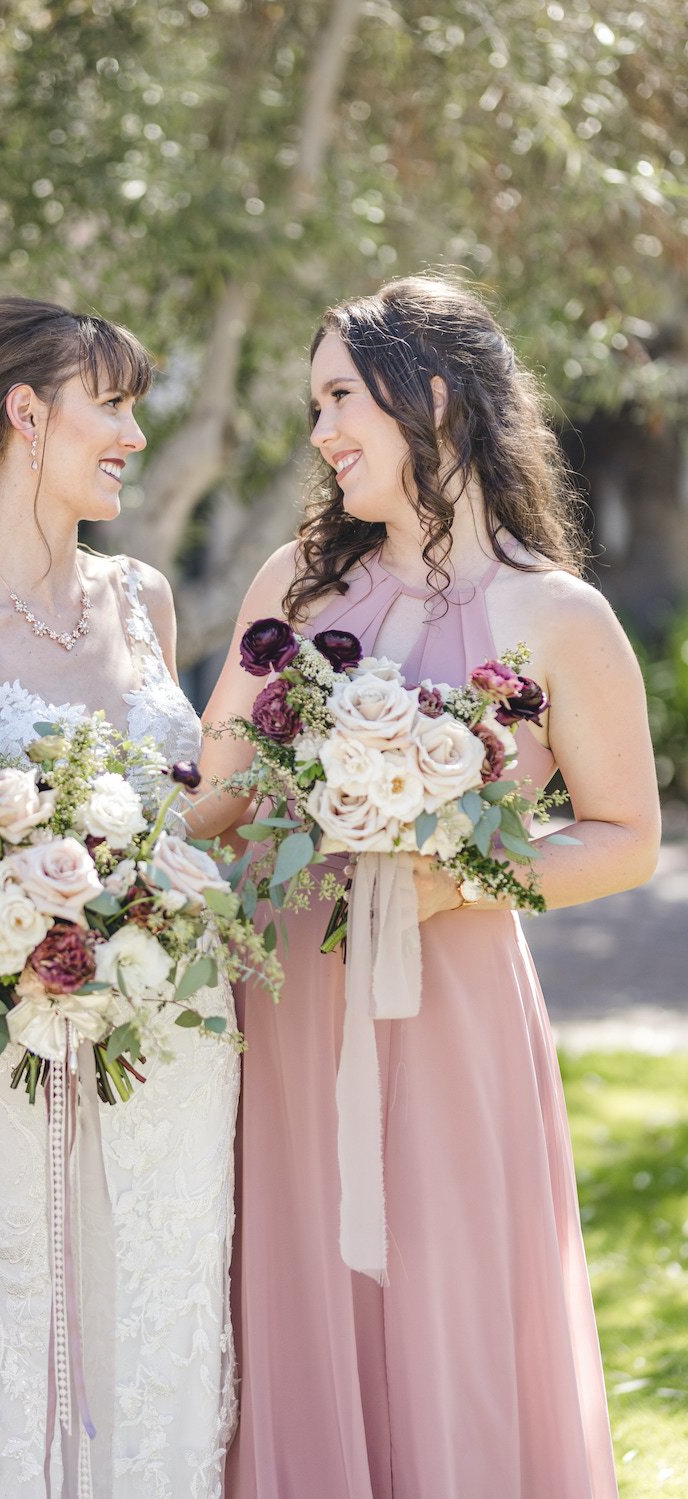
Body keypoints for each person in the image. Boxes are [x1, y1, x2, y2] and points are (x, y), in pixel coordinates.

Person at [197, 275, 660, 1499]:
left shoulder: (558, 615)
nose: (321, 433)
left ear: (434, 397)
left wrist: (462, 871)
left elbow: (623, 838)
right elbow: (221, 783)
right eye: (314, 404)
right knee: (304, 1296)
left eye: (339, 396)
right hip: (289, 1003)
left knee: (451, 1302)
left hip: (450, 1010)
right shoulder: (293, 582)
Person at [0, 297, 238, 1498]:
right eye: (111, 405)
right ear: (29, 413)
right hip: (18, 1052)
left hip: (180, 1030)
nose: (132, 432)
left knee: (172, 1296)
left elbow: (182, 807)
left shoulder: (143, 597)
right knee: (34, 1309)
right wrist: (6, 931)